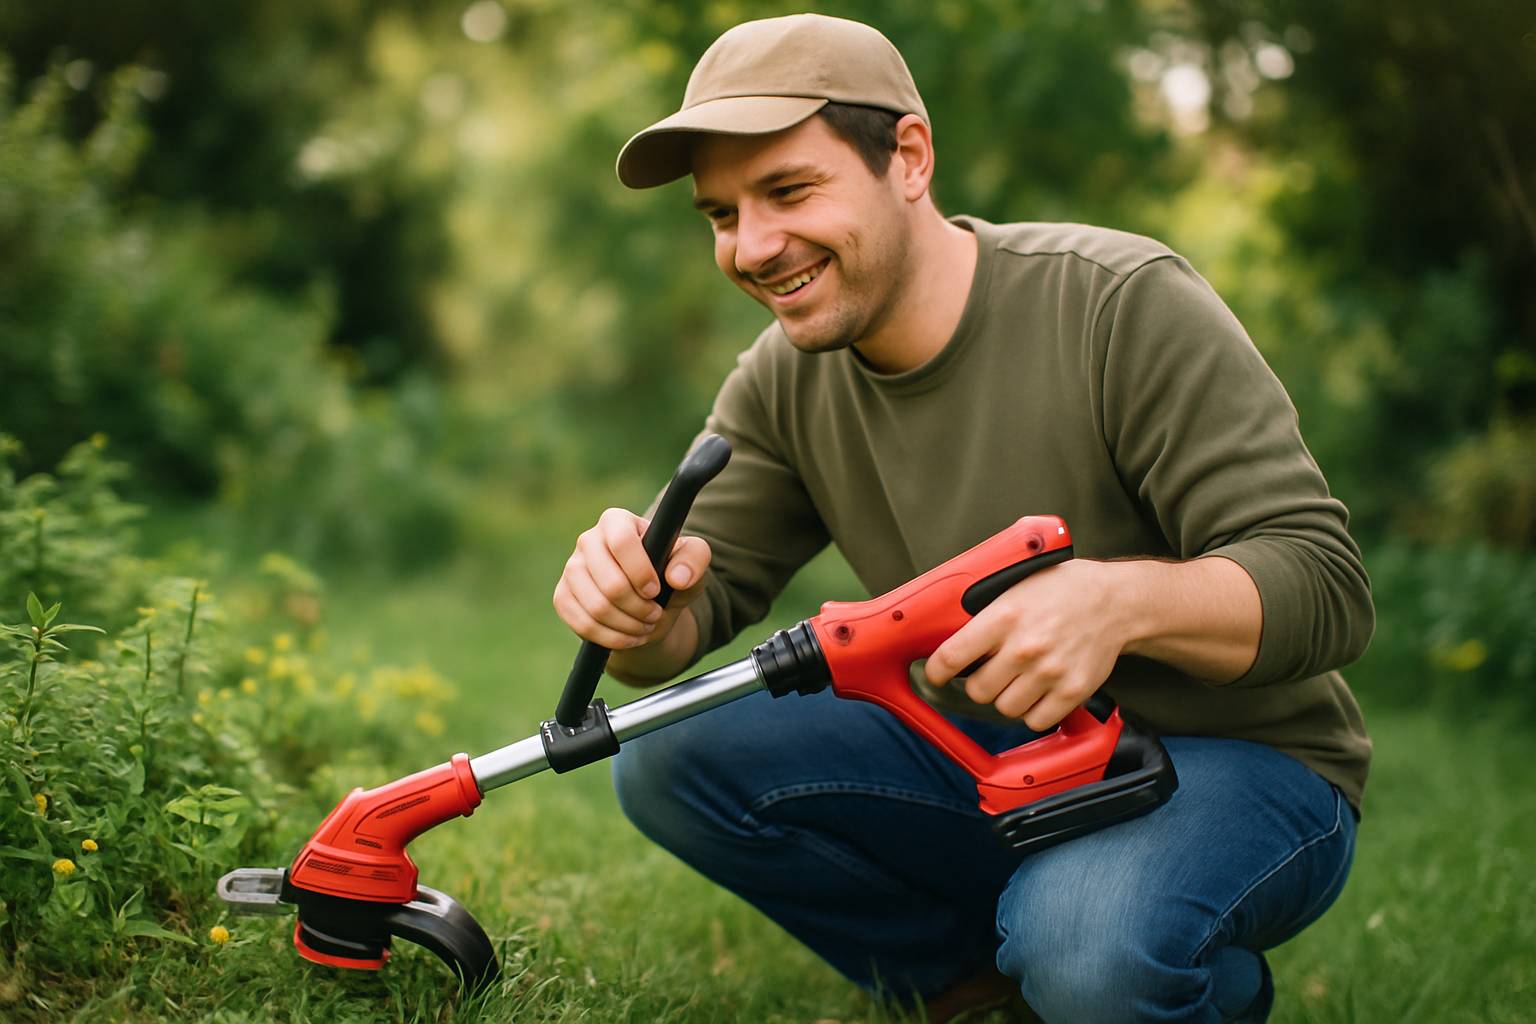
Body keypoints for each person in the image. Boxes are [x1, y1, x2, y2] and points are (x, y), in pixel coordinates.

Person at [552, 14, 1372, 1023]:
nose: (752, 247)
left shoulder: (1118, 305)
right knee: (669, 755)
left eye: (790, 191)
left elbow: (1326, 584)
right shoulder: (782, 379)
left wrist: (1116, 602)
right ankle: (978, 986)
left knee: (1086, 946)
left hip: (1240, 761)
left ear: (909, 157)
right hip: (989, 751)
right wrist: (632, 607)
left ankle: (1104, 963)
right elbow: (679, 623)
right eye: (721, 213)